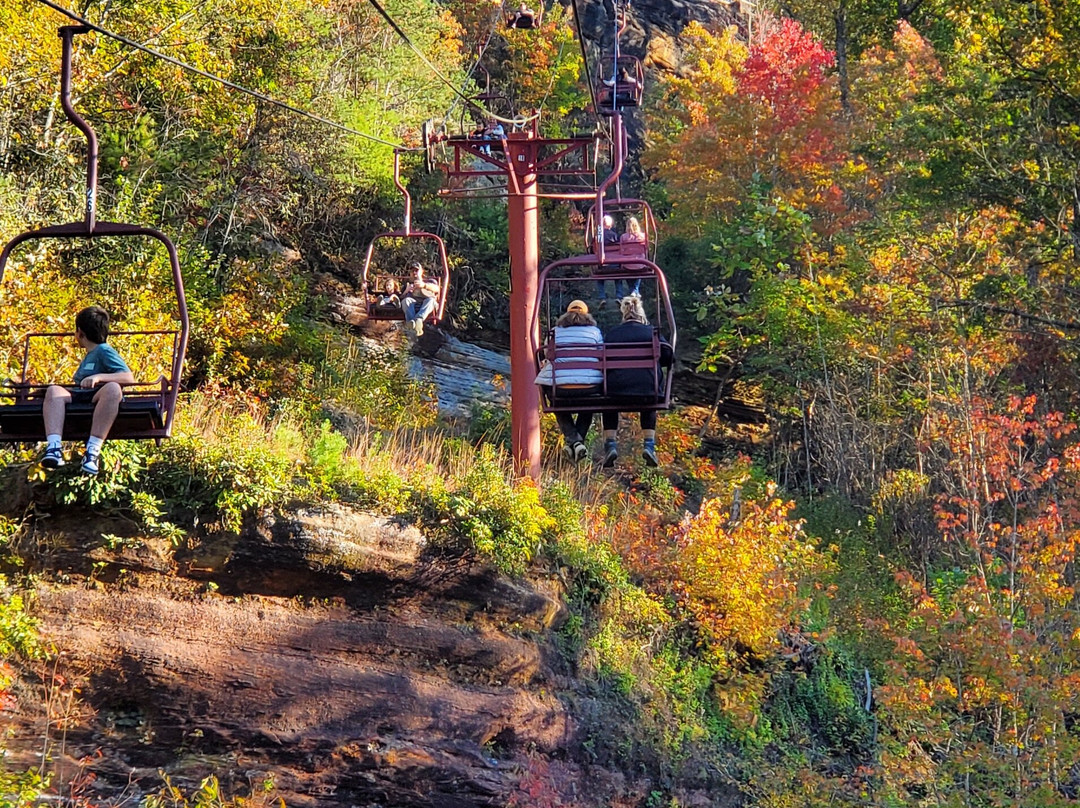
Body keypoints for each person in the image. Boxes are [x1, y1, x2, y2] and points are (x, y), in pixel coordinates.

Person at [40, 305, 135, 475]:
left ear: (80, 332)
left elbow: (128, 377)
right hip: (81, 394)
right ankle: (54, 447)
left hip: (97, 395)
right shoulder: (89, 354)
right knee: (54, 391)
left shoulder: (104, 351)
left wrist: (99, 377)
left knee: (113, 389)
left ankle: (92, 451)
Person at [600, 295, 673, 468]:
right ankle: (649, 445)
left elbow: (601, 360)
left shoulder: (612, 334)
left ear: (623, 314)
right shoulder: (652, 333)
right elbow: (669, 356)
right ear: (641, 313)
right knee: (649, 396)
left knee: (609, 403)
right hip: (647, 390)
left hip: (616, 390)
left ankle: (610, 444)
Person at [534, 300, 602, 462]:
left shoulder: (555, 332)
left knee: (556, 401)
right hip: (589, 387)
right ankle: (577, 442)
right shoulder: (594, 332)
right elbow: (601, 354)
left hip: (561, 388)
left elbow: (546, 355)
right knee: (589, 404)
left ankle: (573, 440)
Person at [596, 214, 629, 307]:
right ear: (610, 225)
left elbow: (593, 249)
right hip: (615, 264)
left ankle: (602, 297)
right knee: (618, 277)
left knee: (599, 278)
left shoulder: (598, 237)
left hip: (602, 265)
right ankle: (619, 296)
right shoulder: (615, 236)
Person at [401, 261, 440, 337]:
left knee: (431, 301)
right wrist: (406, 291)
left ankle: (418, 319)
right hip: (413, 304)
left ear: (421, 271)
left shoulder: (430, 281)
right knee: (405, 301)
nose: (414, 273)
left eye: (416, 270)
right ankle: (411, 322)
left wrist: (424, 285)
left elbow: (437, 289)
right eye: (412, 271)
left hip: (426, 303)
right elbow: (400, 299)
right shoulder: (407, 284)